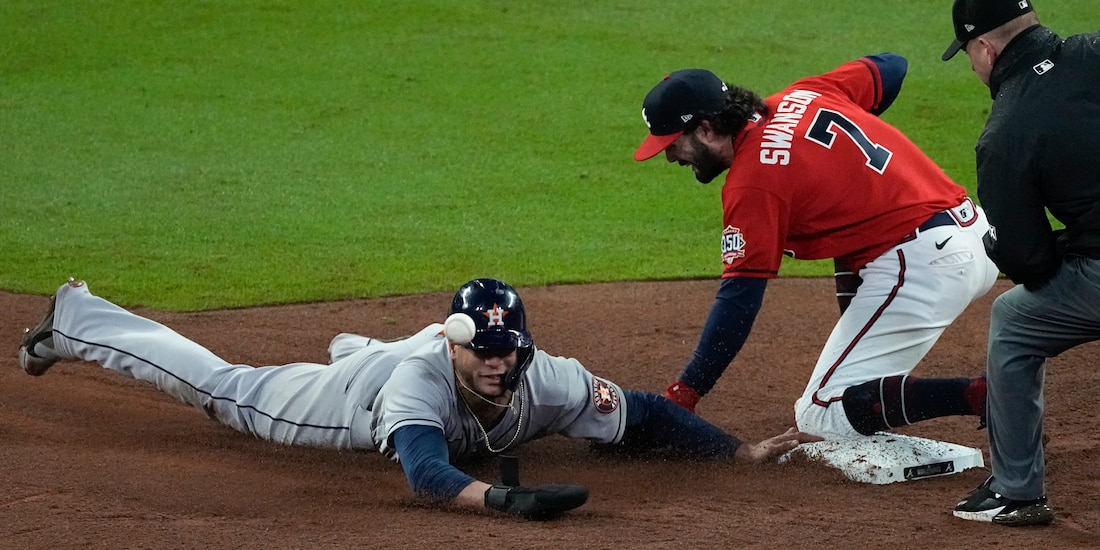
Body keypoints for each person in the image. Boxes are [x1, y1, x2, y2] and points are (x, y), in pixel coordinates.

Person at [17, 277, 815, 520]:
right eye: (484, 353)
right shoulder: (421, 379)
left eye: (509, 351)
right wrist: (503, 500)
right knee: (223, 390)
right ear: (454, 345)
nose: (500, 365)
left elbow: (645, 414)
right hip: (346, 399)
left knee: (418, 373)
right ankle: (78, 319)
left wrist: (739, 451)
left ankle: (357, 343)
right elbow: (427, 475)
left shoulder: (545, 374)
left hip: (403, 358)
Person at [631, 53, 1000, 441]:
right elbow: (891, 66)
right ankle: (889, 385)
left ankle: (985, 395)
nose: (669, 156)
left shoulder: (753, 184)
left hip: (926, 266)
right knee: (857, 383)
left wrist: (685, 394)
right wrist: (843, 154)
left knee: (821, 415)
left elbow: (738, 300)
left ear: (706, 129)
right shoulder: (805, 93)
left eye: (673, 143)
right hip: (977, 234)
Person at [941, 0, 1100, 527]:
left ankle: (1016, 491)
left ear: (986, 49)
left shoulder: (1006, 130)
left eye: (968, 53)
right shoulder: (1094, 49)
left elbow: (1029, 263)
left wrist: (1066, 242)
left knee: (1013, 319)